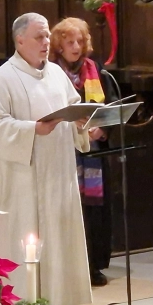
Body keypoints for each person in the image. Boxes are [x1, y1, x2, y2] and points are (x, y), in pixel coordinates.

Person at [0, 12, 93, 305]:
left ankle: (63, 297)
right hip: (24, 176)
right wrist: (33, 129)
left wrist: (85, 122)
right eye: (39, 37)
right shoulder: (3, 78)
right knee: (30, 233)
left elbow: (73, 107)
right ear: (20, 40)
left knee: (59, 231)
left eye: (47, 36)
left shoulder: (56, 73)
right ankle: (28, 301)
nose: (46, 42)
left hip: (58, 169)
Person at [49, 17, 115, 287]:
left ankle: (94, 266)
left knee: (94, 209)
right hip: (65, 149)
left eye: (80, 41)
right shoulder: (50, 72)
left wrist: (101, 130)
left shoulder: (95, 70)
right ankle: (69, 267)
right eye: (70, 42)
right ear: (59, 45)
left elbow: (109, 105)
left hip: (93, 151)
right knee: (70, 206)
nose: (76, 47)